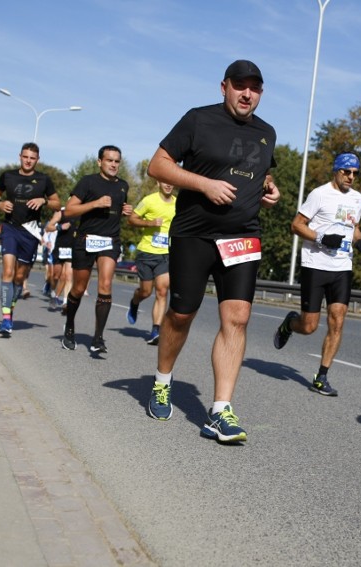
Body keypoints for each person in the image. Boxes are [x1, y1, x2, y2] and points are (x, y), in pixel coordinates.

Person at [144, 59, 280, 442]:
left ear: (261, 93)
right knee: (182, 314)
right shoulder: (198, 120)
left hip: (242, 236)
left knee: (237, 318)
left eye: (254, 87)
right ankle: (162, 380)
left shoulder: (267, 133)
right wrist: (204, 185)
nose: (247, 93)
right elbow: (158, 165)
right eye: (240, 85)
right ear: (224, 87)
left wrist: (270, 189)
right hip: (195, 234)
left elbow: (262, 172)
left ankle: (220, 411)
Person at [273, 153, 361, 396]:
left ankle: (321, 376)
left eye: (355, 173)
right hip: (316, 265)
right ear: (336, 171)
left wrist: (360, 241)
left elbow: (353, 227)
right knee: (310, 326)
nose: (351, 177)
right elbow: (296, 225)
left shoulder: (358, 199)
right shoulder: (319, 194)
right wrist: (321, 237)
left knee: (338, 320)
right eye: (347, 172)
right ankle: (290, 324)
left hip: (342, 267)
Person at [61, 145, 133, 354]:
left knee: (106, 284)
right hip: (85, 240)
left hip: (110, 240)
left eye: (116, 161)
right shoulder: (88, 182)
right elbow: (70, 211)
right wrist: (94, 203)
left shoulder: (123, 186)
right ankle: (70, 327)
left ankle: (98, 338)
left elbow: (116, 211)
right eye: (109, 160)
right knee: (79, 288)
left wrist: (125, 211)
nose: (113, 164)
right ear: (99, 161)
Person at [0, 142, 60, 337]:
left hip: (30, 232)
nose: (28, 161)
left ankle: (9, 309)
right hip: (11, 228)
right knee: (7, 271)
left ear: (37, 159)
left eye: (32, 158)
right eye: (25, 157)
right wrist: (0, 203)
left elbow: (57, 203)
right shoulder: (8, 176)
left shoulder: (44, 179)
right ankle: (5, 319)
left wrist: (43, 200)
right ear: (20, 156)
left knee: (19, 278)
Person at [125, 181, 177, 346]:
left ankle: (156, 330)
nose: (168, 185)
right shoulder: (149, 200)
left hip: (166, 254)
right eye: (165, 182)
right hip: (147, 252)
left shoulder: (178, 203)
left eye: (171, 183)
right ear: (158, 183)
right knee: (146, 292)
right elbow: (131, 219)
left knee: (162, 291)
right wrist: (150, 223)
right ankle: (134, 302)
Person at [45, 207, 77, 312]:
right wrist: (60, 227)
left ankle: (65, 302)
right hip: (60, 248)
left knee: (68, 276)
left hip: (72, 249)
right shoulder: (61, 213)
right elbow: (48, 227)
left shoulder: (81, 214)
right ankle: (53, 293)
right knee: (56, 276)